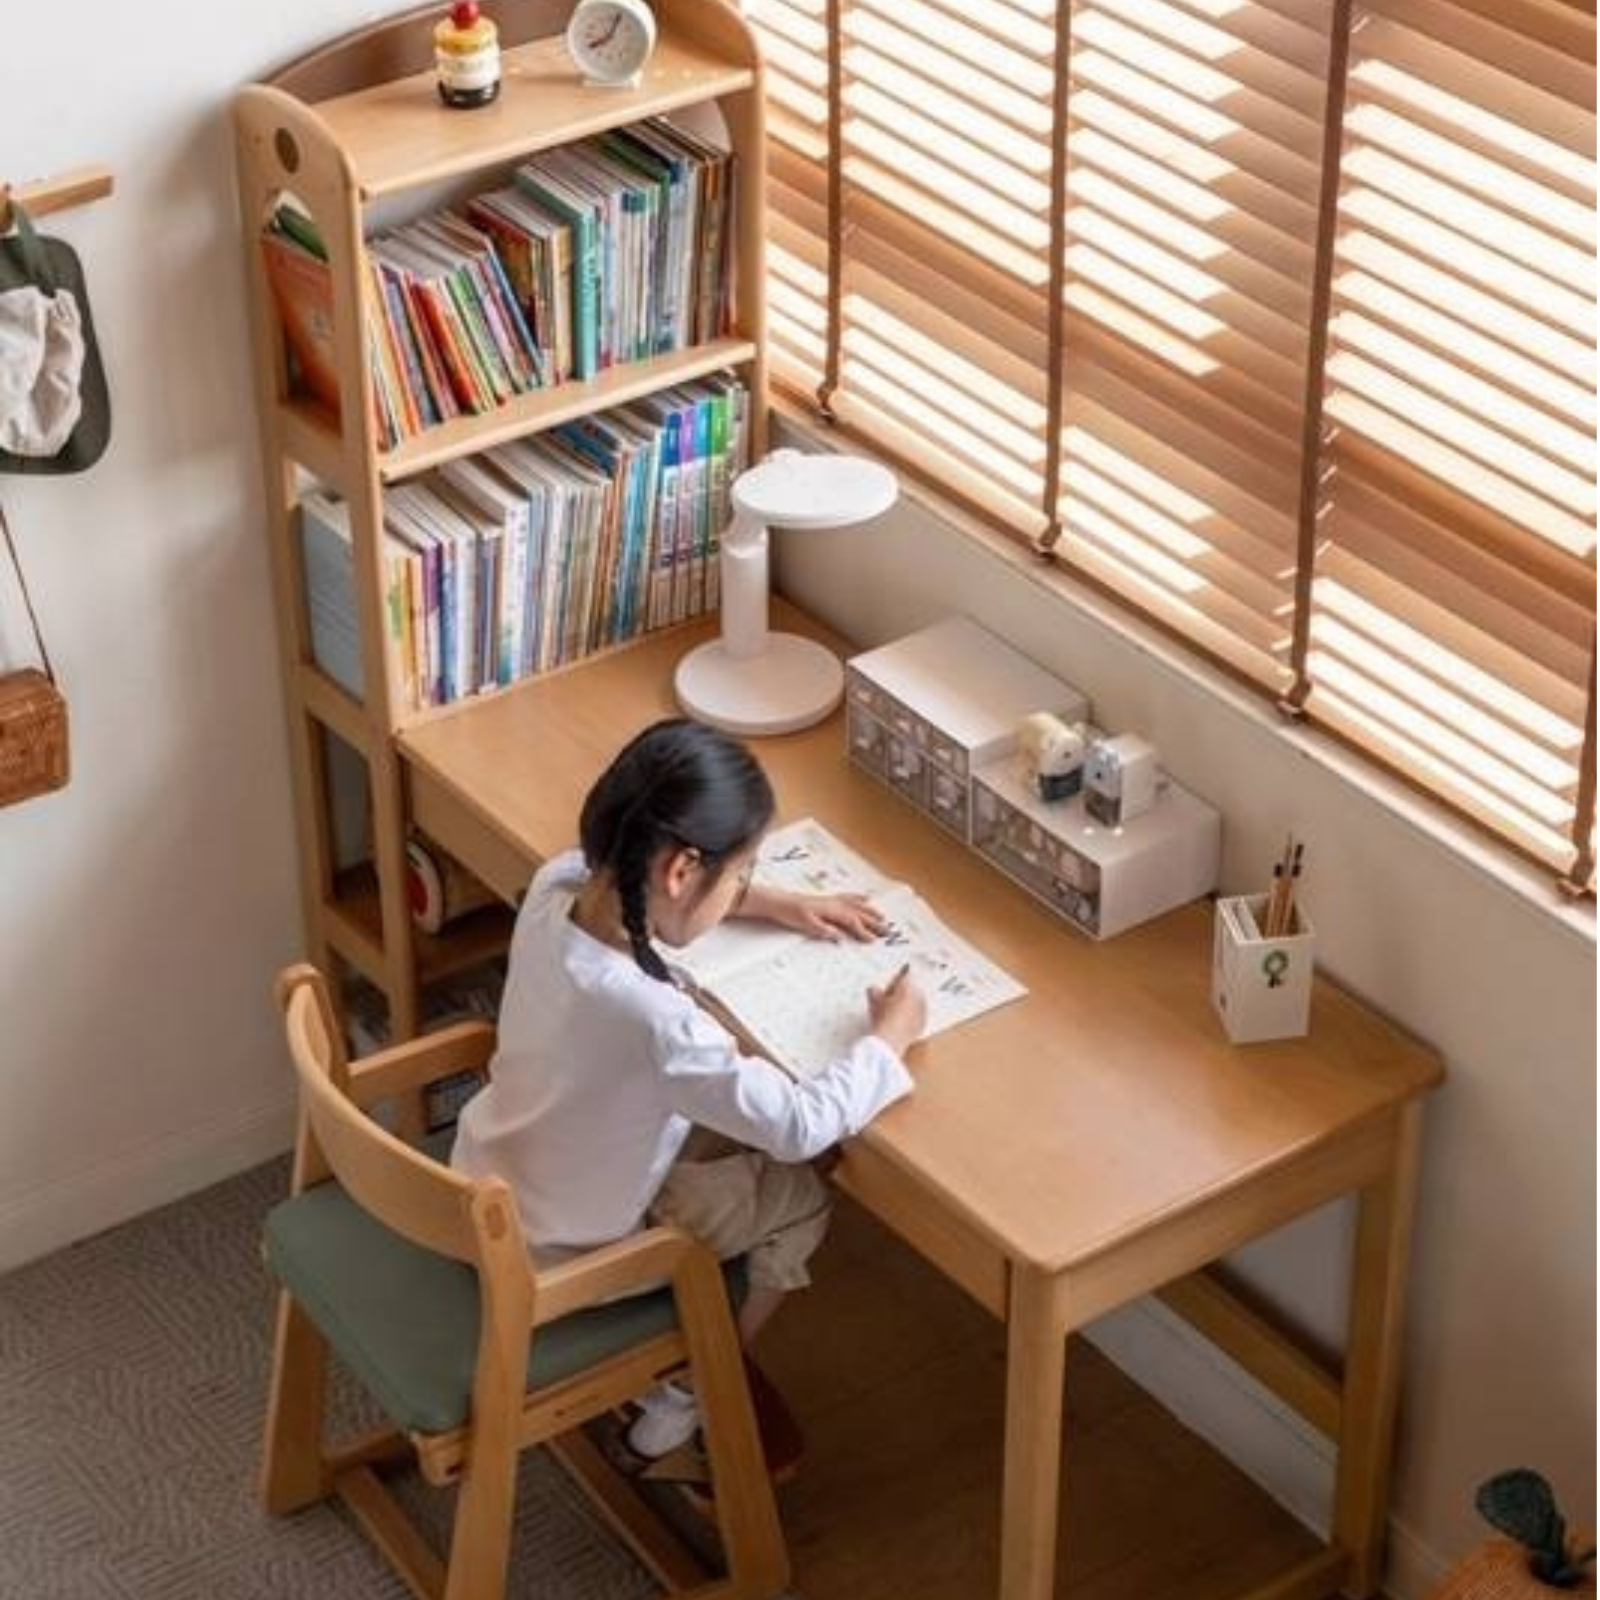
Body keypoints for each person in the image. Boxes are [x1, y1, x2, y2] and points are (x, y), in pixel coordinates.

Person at [451, 716, 926, 1464]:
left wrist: (772, 902)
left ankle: (684, 1376)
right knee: (801, 1194)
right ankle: (685, 1388)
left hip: (489, 1177)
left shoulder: (553, 889)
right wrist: (891, 1036)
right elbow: (799, 1124)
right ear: (681, 872)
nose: (740, 888)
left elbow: (634, 877)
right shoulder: (657, 1022)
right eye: (739, 874)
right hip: (570, 1252)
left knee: (724, 1131)